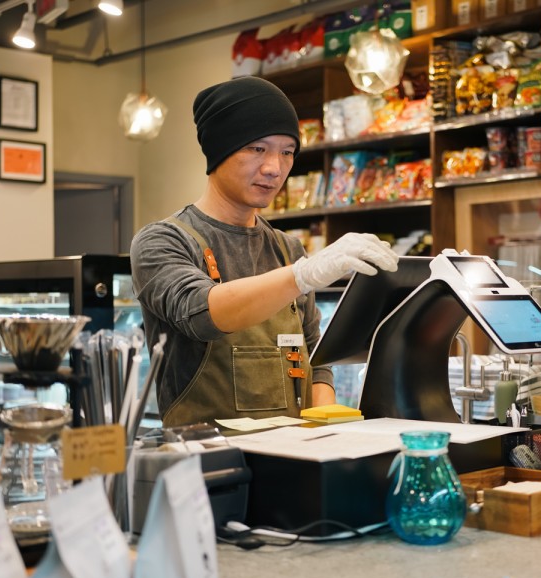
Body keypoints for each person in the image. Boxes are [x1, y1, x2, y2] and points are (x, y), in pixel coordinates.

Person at [130, 77, 399, 428]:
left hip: (291, 459)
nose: (275, 167)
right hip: (207, 465)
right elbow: (202, 313)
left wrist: (327, 427)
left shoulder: (287, 248)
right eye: (257, 148)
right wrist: (301, 275)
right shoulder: (163, 241)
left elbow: (316, 357)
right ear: (220, 150)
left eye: (287, 152)